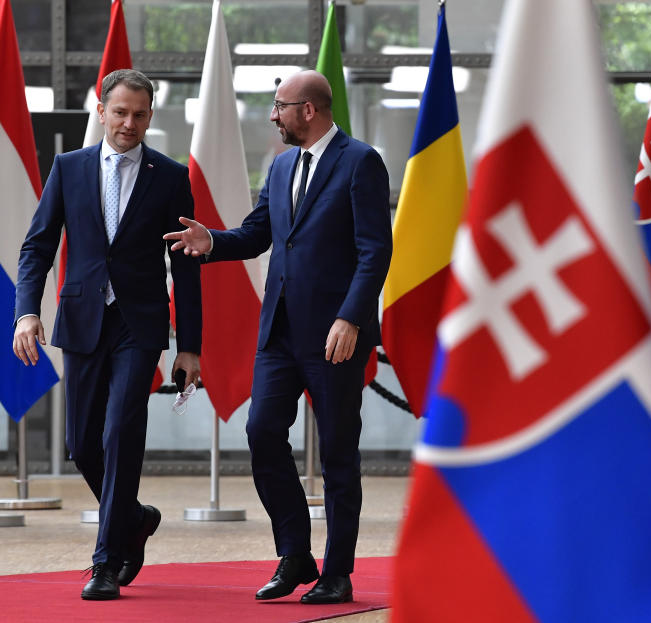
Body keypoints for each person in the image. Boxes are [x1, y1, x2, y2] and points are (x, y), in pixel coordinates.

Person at [165, 70, 392, 605]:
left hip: (337, 333)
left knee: (338, 453)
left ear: (308, 110)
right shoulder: (283, 163)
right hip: (279, 333)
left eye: (279, 106)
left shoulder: (361, 162)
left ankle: (337, 572)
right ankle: (295, 554)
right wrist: (211, 241)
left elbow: (374, 250)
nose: (273, 115)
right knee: (263, 431)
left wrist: (351, 317)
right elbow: (258, 233)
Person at [14, 69, 202, 601]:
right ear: (102, 110)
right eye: (120, 112)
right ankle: (135, 518)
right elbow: (38, 247)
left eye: (140, 115)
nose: (129, 123)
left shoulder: (170, 176)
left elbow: (185, 266)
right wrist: (26, 312)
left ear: (150, 117)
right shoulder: (69, 169)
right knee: (81, 444)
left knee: (121, 430)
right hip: (82, 320)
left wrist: (190, 344)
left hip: (139, 326)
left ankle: (105, 561)